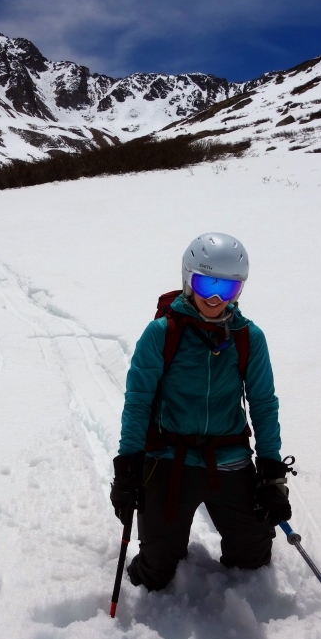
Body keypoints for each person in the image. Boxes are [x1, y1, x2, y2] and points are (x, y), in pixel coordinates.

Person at [110, 232, 293, 592]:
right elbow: (138, 401)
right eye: (205, 283)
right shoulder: (161, 333)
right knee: (156, 571)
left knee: (253, 556)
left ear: (238, 291)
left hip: (229, 457)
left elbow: (264, 403)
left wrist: (271, 473)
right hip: (168, 456)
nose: (213, 298)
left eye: (226, 289)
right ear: (187, 279)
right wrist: (128, 467)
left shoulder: (248, 338)